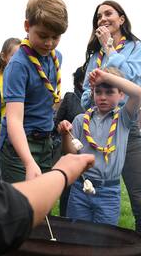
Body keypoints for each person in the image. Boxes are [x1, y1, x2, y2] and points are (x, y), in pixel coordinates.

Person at [80, 0, 141, 255]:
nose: (102, 18)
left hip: (127, 128)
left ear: (121, 19)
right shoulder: (94, 57)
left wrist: (110, 48)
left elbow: (132, 80)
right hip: (96, 129)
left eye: (108, 13)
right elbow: (83, 98)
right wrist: (94, 92)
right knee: (82, 190)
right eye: (98, 16)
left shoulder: (137, 48)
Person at [0, 0, 68, 183]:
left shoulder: (56, 57)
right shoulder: (18, 65)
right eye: (43, 35)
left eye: (56, 37)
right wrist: (28, 162)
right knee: (20, 205)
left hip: (45, 141)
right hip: (19, 145)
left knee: (41, 203)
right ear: (27, 26)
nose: (49, 43)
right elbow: (13, 120)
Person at [59, 67, 141, 226]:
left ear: (121, 94)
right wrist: (65, 134)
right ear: (92, 93)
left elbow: (137, 93)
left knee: (104, 239)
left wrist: (105, 76)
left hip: (108, 193)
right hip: (80, 188)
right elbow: (70, 152)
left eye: (110, 92)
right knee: (76, 234)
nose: (103, 97)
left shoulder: (123, 118)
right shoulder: (80, 120)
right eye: (98, 92)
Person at [0, 37, 21, 180]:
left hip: (13, 139)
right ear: (3, 56)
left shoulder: (21, 78)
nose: (19, 60)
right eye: (14, 55)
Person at [54, 66, 86, 217]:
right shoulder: (70, 97)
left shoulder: (96, 100)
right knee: (68, 186)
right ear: (80, 81)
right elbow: (56, 122)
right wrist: (63, 127)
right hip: (69, 149)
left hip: (87, 150)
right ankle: (64, 219)